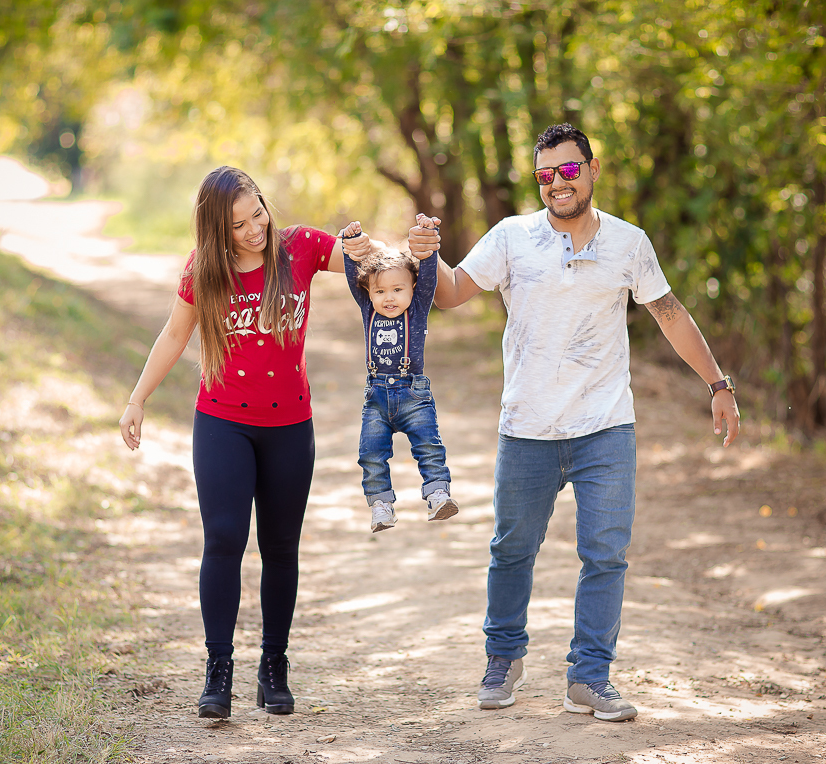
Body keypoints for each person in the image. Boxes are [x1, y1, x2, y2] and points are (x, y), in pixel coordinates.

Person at [408, 123, 740, 722]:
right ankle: (502, 661)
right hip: (528, 428)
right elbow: (453, 292)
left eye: (568, 169)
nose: (557, 182)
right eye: (545, 175)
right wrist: (424, 258)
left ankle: (590, 678)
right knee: (512, 551)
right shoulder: (512, 237)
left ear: (591, 170)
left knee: (605, 555)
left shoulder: (628, 243)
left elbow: (668, 312)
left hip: (605, 427)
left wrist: (717, 383)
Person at [119, 166, 376, 719]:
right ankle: (218, 671)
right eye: (238, 225)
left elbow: (365, 261)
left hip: (289, 425)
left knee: (281, 546)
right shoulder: (203, 270)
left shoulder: (299, 249)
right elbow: (174, 333)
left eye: (257, 212)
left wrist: (370, 245)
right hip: (223, 422)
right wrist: (137, 398)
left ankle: (274, 666)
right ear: (217, 231)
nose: (254, 228)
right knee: (226, 537)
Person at [340, 222, 458, 533]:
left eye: (397, 289)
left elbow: (429, 275)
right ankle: (381, 506)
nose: (389, 298)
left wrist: (428, 249)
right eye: (380, 291)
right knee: (370, 454)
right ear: (370, 293)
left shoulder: (417, 307)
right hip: (376, 398)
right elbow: (354, 277)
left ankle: (437, 495)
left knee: (428, 446)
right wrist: (349, 245)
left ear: (412, 288)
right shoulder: (369, 309)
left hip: (413, 395)